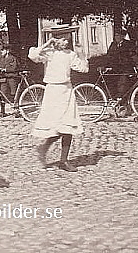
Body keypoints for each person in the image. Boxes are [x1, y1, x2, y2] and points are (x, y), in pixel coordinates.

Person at [28, 32, 88, 172]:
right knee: (56, 126)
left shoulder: (70, 54)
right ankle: (44, 147)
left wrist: (81, 54)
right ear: (55, 39)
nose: (66, 42)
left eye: (68, 39)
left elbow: (84, 68)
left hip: (66, 91)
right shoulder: (49, 53)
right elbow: (33, 56)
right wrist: (47, 44)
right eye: (63, 39)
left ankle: (63, 160)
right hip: (53, 92)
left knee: (68, 125)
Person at [105, 30, 136, 109]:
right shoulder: (113, 44)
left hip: (126, 68)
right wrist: (105, 66)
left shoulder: (128, 44)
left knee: (123, 86)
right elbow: (109, 56)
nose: (116, 37)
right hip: (115, 69)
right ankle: (115, 103)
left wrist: (137, 65)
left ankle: (123, 105)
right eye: (115, 36)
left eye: (118, 35)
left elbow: (133, 55)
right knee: (112, 85)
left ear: (123, 36)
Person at [0, 44, 21, 116]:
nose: (1, 52)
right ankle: (2, 111)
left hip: (12, 78)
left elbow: (14, 68)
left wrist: (5, 69)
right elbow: (0, 66)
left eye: (2, 50)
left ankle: (17, 110)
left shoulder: (13, 58)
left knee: (14, 94)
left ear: (7, 51)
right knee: (2, 94)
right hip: (4, 78)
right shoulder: (1, 59)